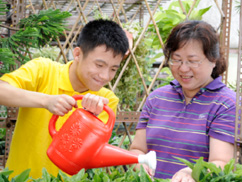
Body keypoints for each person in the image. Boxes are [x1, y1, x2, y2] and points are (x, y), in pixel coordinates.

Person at [0, 19, 129, 179]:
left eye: (113, 69)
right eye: (99, 65)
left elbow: (83, 156)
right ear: (77, 54)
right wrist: (46, 101)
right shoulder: (43, 70)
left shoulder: (106, 101)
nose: (105, 76)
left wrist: (90, 121)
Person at [130, 20, 235, 181]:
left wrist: (194, 172)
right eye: (176, 59)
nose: (183, 68)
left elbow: (221, 162)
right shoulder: (156, 98)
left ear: (213, 60)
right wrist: (140, 164)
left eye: (192, 61)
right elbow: (137, 149)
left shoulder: (226, 103)